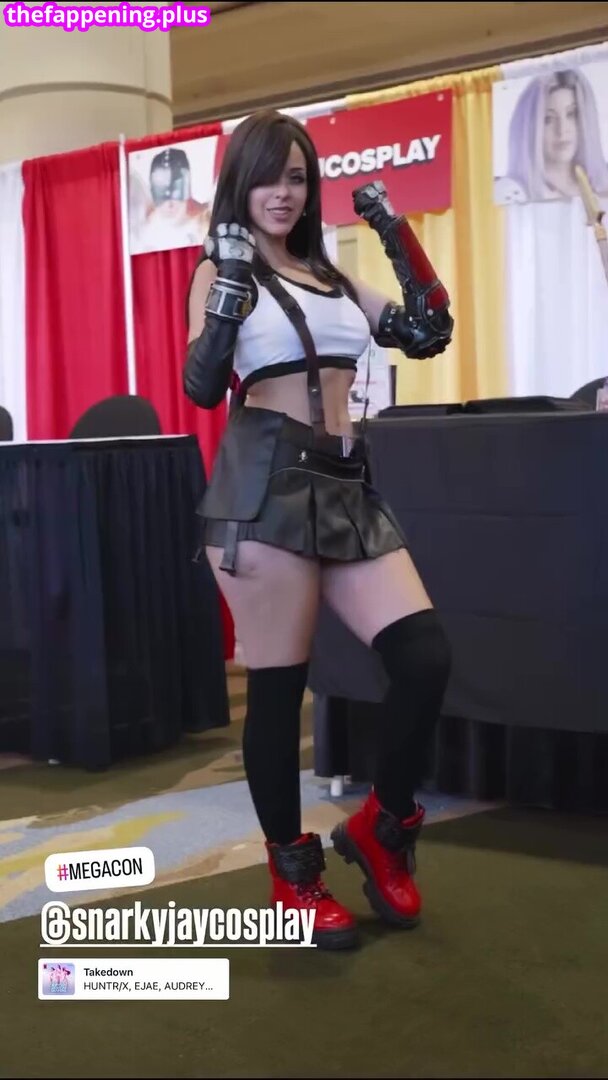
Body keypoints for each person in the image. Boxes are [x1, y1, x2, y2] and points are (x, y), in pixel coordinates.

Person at [183, 109, 454, 951]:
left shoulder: (330, 277)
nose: (283, 192)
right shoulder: (218, 271)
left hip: (344, 487)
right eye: (268, 175)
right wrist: (230, 284)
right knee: (277, 690)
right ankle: (292, 878)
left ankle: (382, 828)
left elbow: (426, 332)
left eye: (297, 177)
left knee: (424, 657)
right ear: (240, 184)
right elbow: (201, 383)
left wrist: (393, 229)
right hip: (264, 491)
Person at [495, 67, 608, 204]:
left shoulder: (602, 183)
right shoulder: (511, 192)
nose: (562, 130)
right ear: (530, 128)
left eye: (571, 114)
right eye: (548, 119)